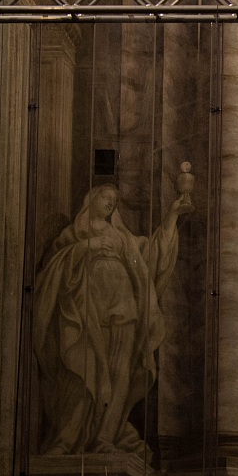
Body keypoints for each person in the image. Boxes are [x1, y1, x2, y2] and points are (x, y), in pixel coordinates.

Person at [33, 183, 192, 455]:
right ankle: (67, 438)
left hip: (124, 313)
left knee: (120, 376)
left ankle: (105, 438)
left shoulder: (121, 237)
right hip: (87, 314)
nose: (109, 203)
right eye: (105, 197)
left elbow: (151, 257)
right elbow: (54, 267)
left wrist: (173, 216)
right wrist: (87, 247)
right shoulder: (72, 233)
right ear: (90, 198)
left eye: (114, 201)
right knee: (85, 374)